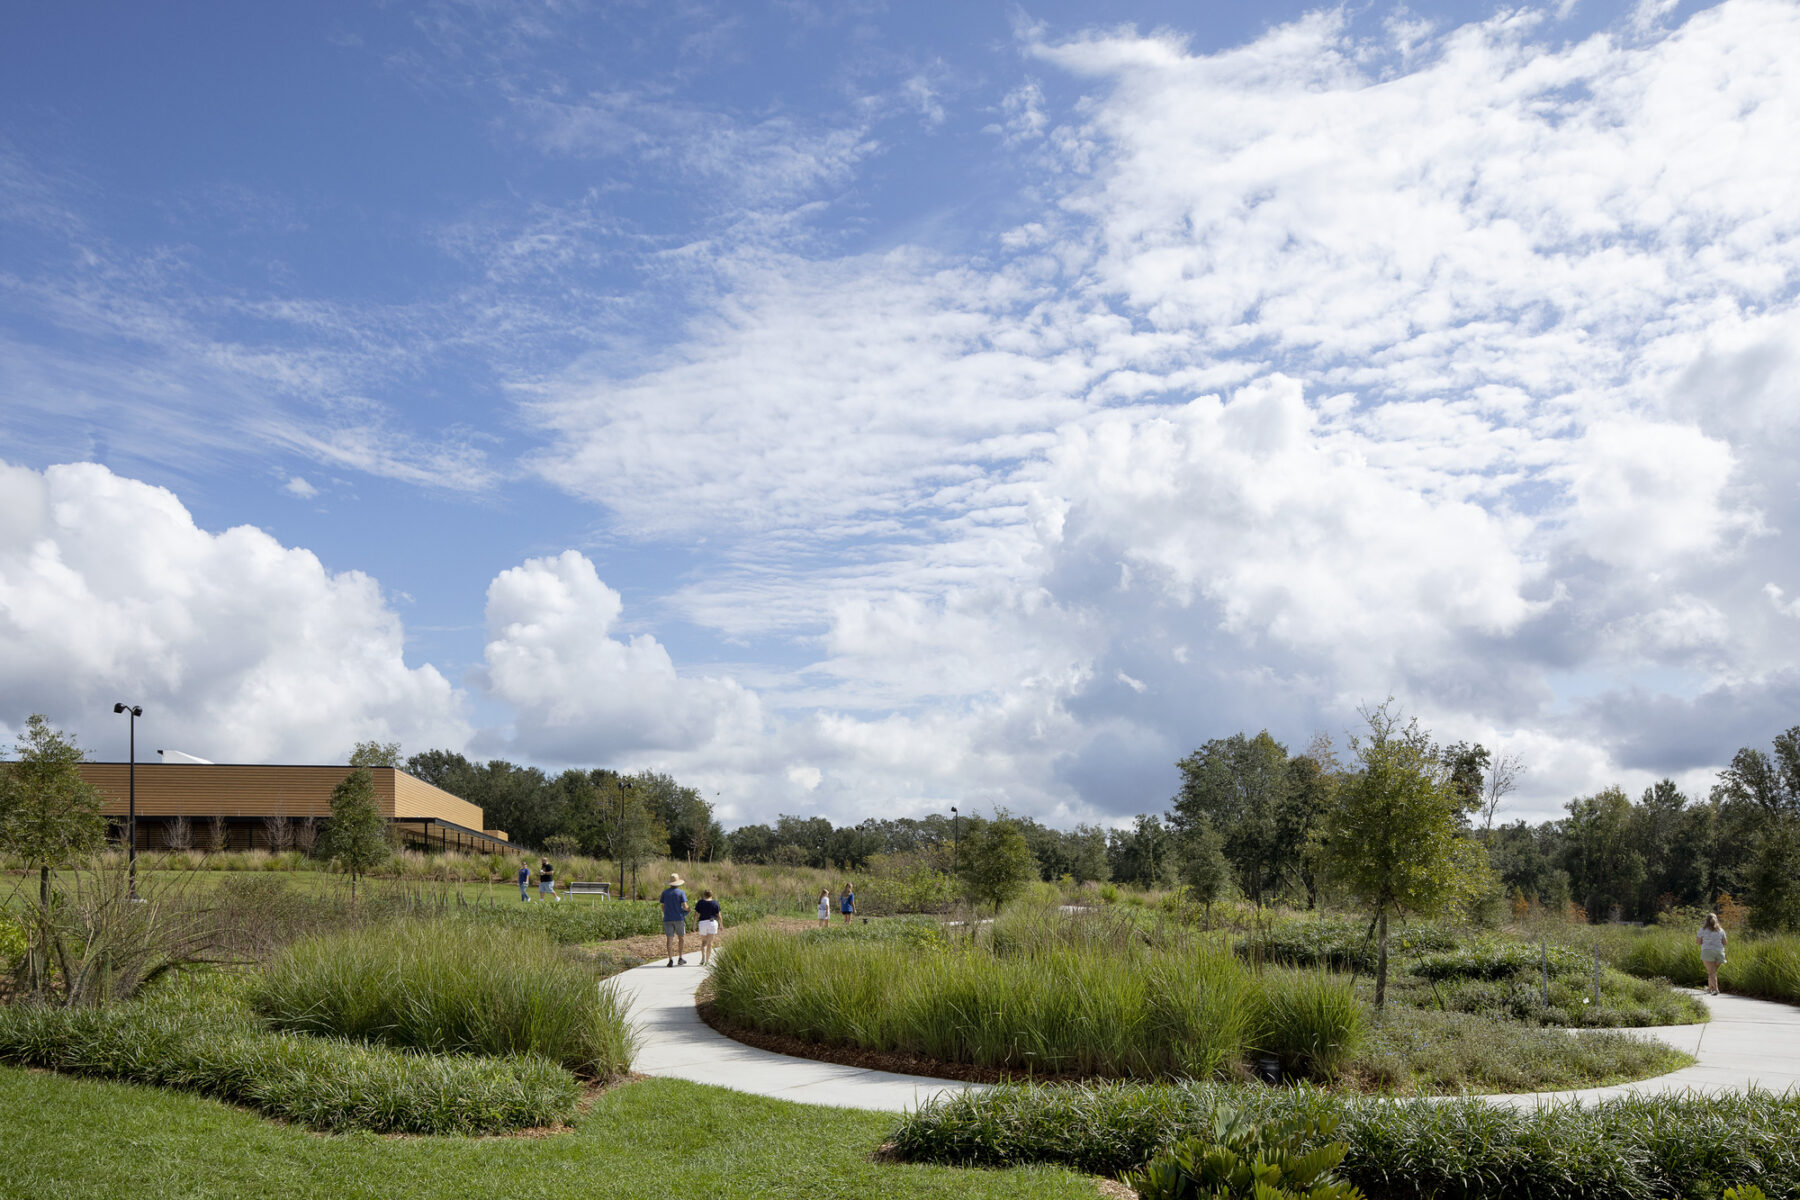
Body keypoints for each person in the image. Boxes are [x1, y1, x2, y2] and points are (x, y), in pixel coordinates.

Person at [660, 873, 690, 966]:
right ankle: (680, 958)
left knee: (669, 939)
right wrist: (688, 909)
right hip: (678, 918)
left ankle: (670, 960)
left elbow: (663, 906)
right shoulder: (681, 893)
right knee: (681, 938)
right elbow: (685, 906)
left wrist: (666, 913)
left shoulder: (665, 893)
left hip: (667, 918)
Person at [1697, 912, 1728, 995]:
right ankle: (1710, 988)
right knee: (1712, 971)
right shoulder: (1721, 930)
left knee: (1711, 972)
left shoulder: (1702, 930)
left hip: (1707, 952)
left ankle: (1716, 989)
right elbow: (1725, 943)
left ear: (1706, 921)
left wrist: (1706, 940)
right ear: (1716, 920)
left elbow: (1698, 942)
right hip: (1720, 952)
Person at [694, 889, 722, 965]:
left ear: (704, 895)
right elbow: (719, 915)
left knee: (703, 942)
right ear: (711, 895)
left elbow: (696, 914)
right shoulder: (715, 903)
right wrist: (721, 925)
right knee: (710, 943)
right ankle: (707, 960)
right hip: (712, 923)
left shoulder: (700, 902)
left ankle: (702, 958)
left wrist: (694, 924)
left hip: (702, 923)